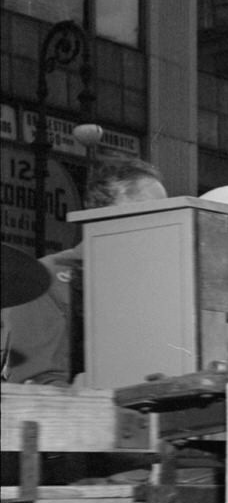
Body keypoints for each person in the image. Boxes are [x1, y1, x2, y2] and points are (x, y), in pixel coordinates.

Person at [1, 156, 167, 385]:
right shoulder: (44, 281)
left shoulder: (154, 285)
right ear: (103, 214)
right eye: (152, 213)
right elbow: (36, 385)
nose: (163, 225)